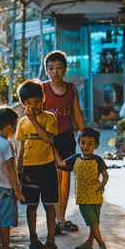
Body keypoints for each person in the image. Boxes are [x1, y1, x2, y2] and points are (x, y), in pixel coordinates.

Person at [42, 50, 86, 235]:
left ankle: (62, 219)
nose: (55, 72)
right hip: (50, 140)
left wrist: (83, 134)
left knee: (66, 179)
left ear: (66, 69)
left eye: (59, 68)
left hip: (67, 137)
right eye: (51, 68)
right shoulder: (42, 90)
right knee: (54, 178)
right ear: (46, 70)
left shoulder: (71, 89)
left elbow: (76, 113)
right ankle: (57, 220)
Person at [16, 79, 59, 249]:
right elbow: (22, 147)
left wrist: (33, 120)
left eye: (36, 101)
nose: (33, 105)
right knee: (31, 205)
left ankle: (50, 240)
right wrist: (19, 171)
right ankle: (33, 239)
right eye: (28, 103)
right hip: (30, 169)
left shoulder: (49, 118)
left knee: (49, 205)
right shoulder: (22, 122)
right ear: (23, 103)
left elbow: (47, 139)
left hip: (47, 166)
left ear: (43, 99)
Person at [54, 127, 109, 249]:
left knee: (94, 222)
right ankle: (101, 244)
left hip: (96, 197)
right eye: (83, 143)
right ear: (78, 143)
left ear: (96, 145)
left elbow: (105, 175)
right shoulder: (75, 159)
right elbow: (61, 164)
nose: (86, 146)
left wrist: (102, 184)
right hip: (83, 199)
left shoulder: (98, 160)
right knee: (92, 223)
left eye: (90, 144)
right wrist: (53, 148)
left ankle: (89, 243)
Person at [0, 106, 25, 249]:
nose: (15, 129)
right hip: (7, 189)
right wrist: (17, 190)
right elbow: (11, 168)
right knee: (5, 221)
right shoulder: (7, 145)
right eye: (15, 126)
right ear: (9, 127)